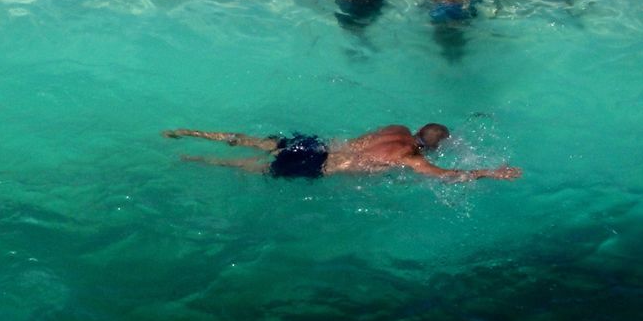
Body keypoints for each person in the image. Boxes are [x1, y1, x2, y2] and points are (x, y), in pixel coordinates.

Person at [163, 123, 520, 181]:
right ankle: (196, 160)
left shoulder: (396, 129)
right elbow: (446, 177)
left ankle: (186, 132)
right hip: (322, 165)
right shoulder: (411, 157)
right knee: (250, 166)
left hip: (319, 144)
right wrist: (490, 172)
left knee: (254, 141)